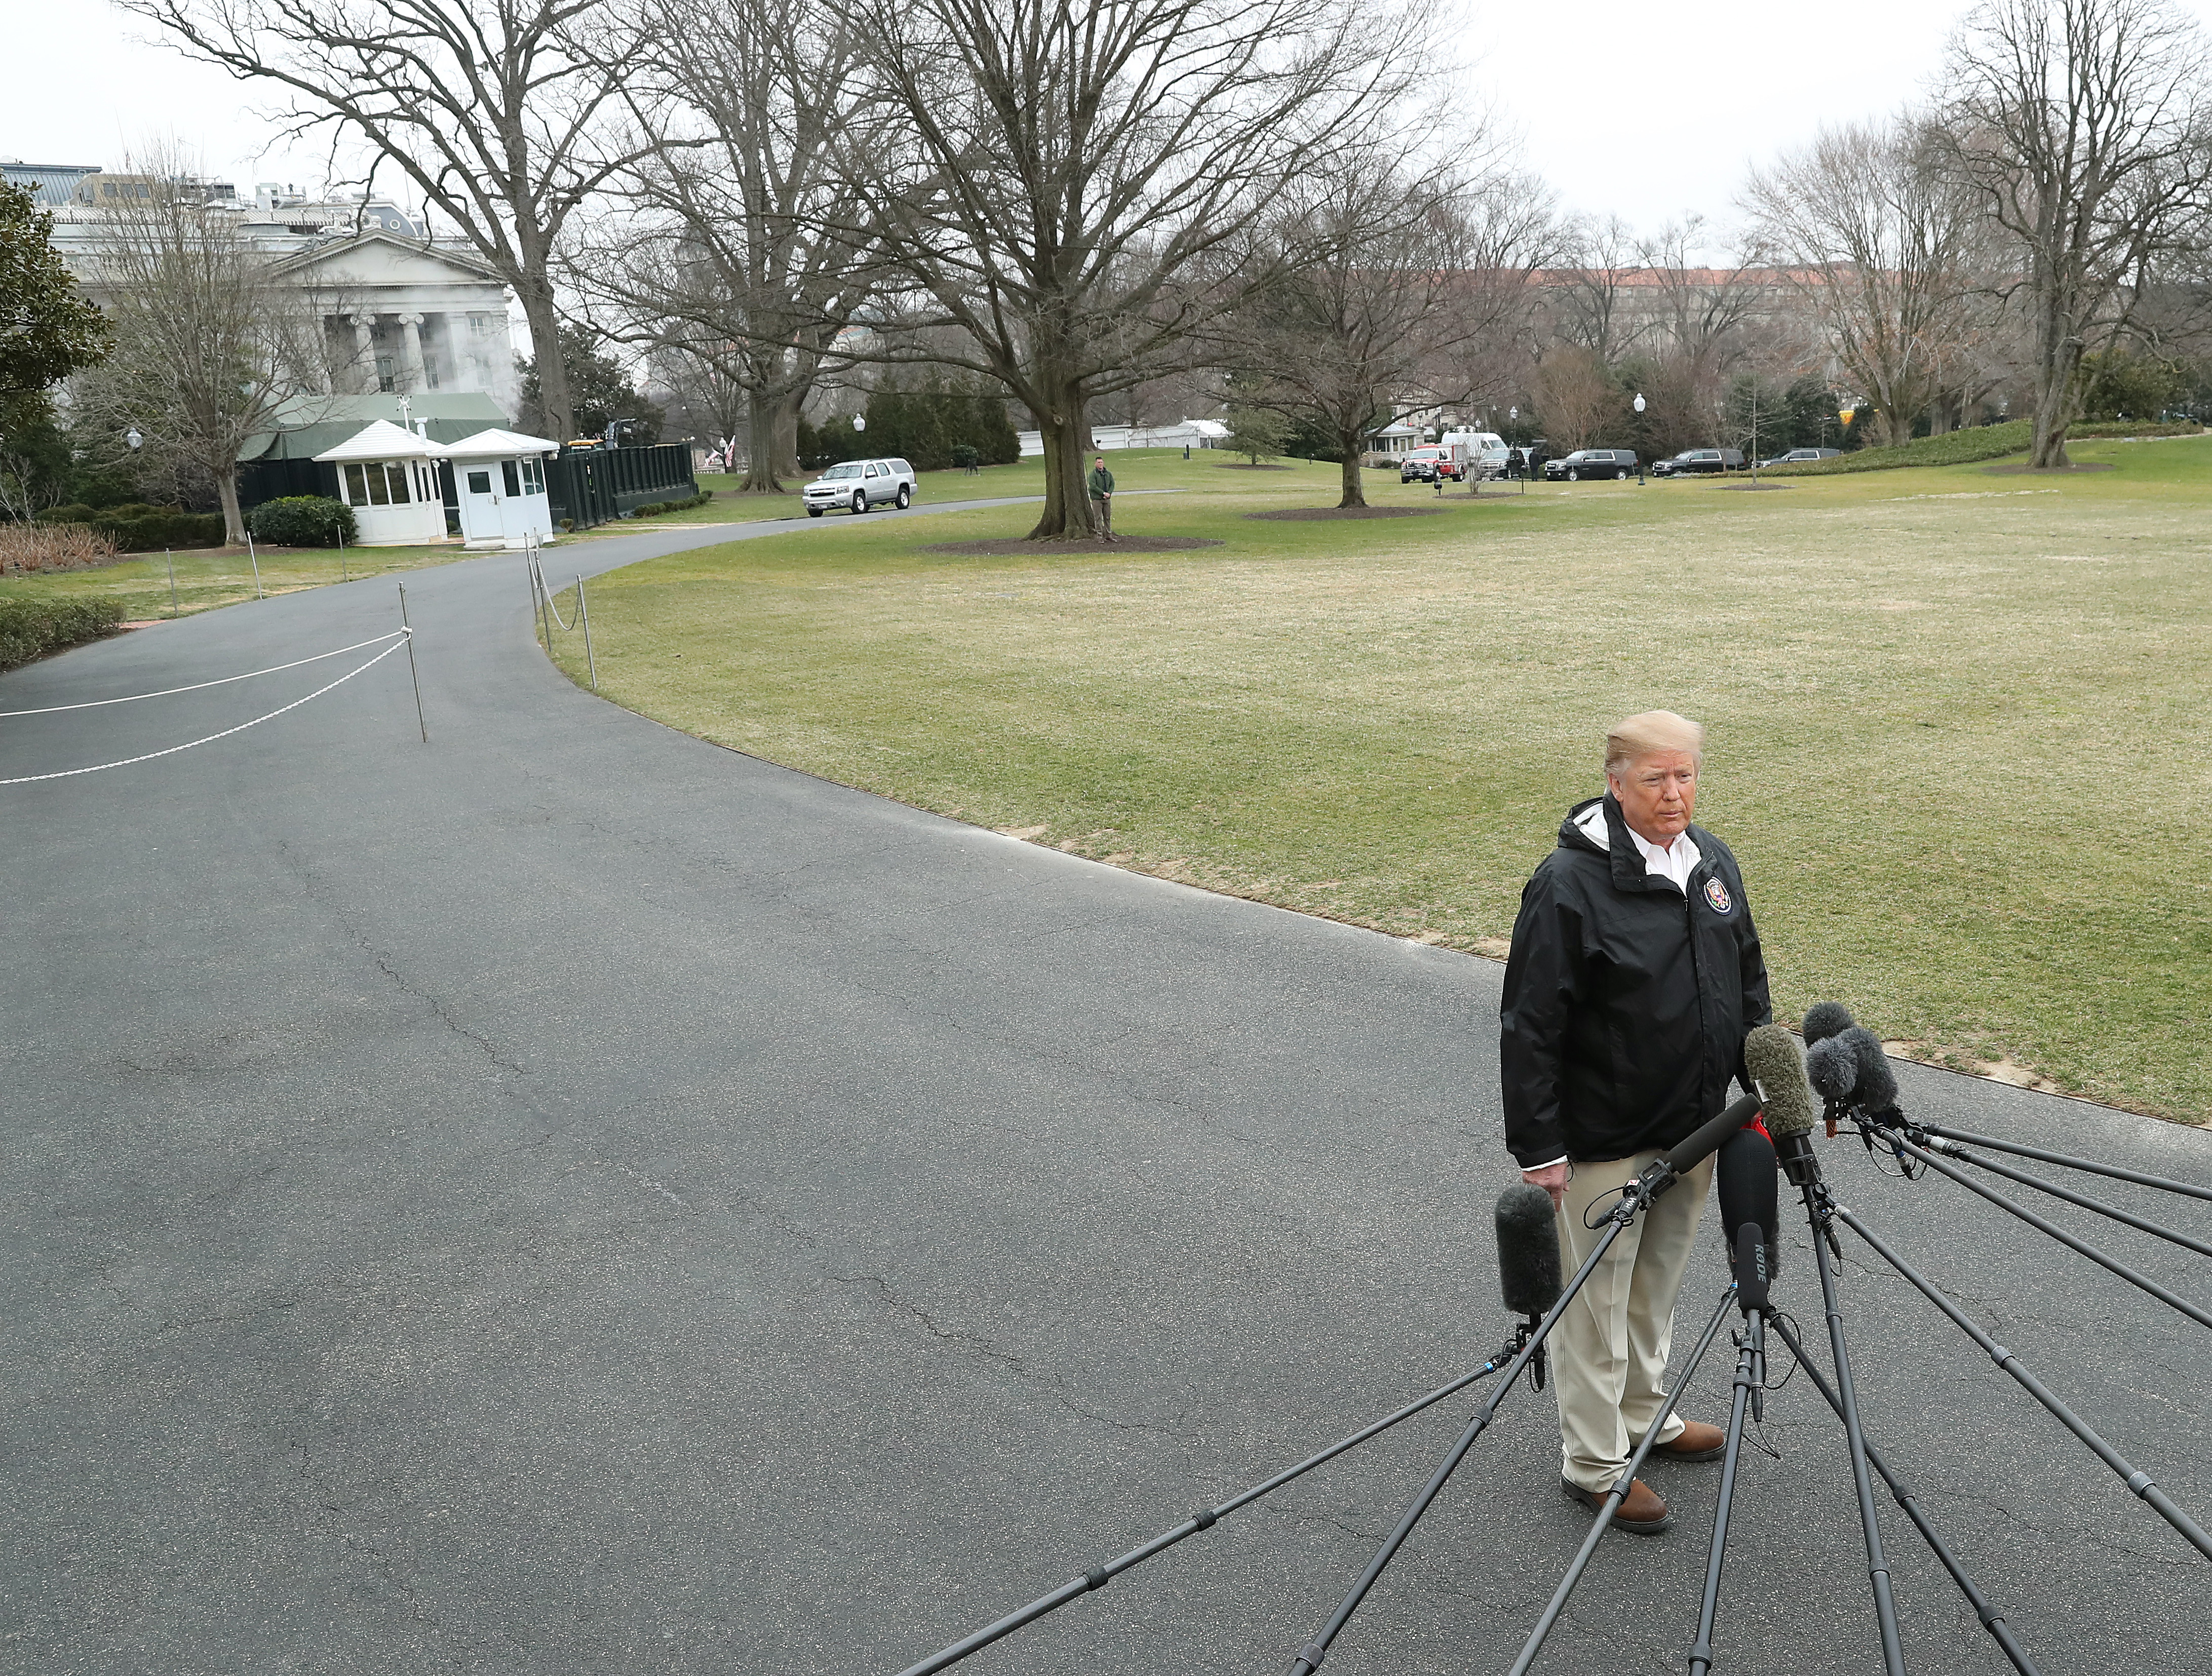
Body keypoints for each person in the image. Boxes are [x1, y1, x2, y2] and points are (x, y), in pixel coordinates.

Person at [1499, 711, 1770, 1535]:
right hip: (1601, 1140)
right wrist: (1539, 1146)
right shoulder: (1566, 882)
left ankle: (1644, 1414)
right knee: (1595, 1303)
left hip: (1692, 1131)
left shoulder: (1711, 861)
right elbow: (1530, 1020)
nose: (1675, 793)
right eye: (1656, 778)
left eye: (1685, 775)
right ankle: (1593, 1460)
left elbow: (1745, 976)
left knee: (1651, 1291)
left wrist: (1759, 1089)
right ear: (1614, 782)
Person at [1088, 453, 1116, 540]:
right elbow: (1093, 486)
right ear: (1095, 464)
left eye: (1101, 462)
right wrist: (1103, 493)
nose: (1100, 464)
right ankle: (1100, 537)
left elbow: (1112, 484)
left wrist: (1109, 493)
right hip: (1097, 500)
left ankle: (1109, 535)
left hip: (1107, 500)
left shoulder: (1108, 474)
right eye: (1098, 463)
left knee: (1107, 518)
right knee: (1098, 518)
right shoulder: (1093, 474)